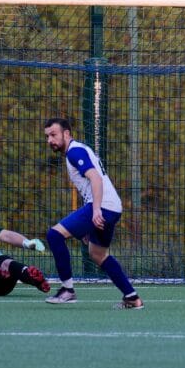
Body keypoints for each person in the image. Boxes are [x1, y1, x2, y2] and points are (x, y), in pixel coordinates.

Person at [42, 117, 143, 309]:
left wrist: (96, 210)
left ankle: (67, 290)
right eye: (47, 136)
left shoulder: (75, 152)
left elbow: (95, 178)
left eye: (53, 135)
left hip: (103, 206)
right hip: (113, 207)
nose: (50, 140)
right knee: (98, 254)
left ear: (66, 133)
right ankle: (132, 298)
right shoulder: (76, 151)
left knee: (54, 235)